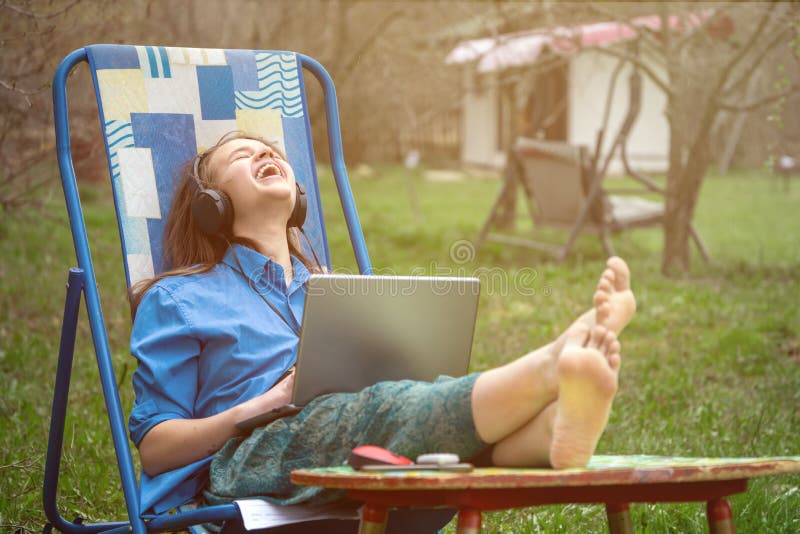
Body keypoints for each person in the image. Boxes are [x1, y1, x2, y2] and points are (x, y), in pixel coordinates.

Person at [128, 131, 636, 517]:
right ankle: (552, 364)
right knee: (381, 412)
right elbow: (155, 450)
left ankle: (552, 432)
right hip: (249, 455)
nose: (264, 155)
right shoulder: (180, 298)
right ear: (211, 205)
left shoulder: (336, 293)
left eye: (270, 151)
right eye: (242, 157)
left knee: (409, 410)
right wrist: (267, 403)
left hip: (351, 428)